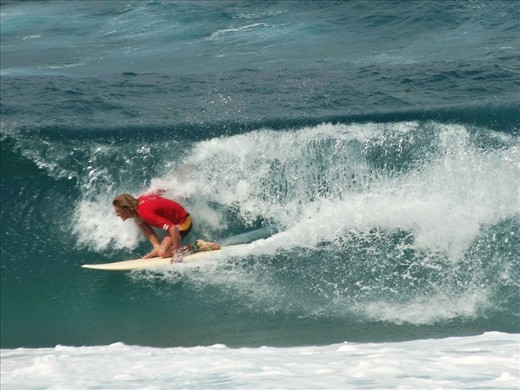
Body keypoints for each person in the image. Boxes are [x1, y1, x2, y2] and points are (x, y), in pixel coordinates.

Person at [112, 193, 220, 262]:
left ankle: (197, 245)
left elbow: (172, 228)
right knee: (137, 219)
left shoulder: (145, 212)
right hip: (177, 220)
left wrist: (177, 253)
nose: (117, 215)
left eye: (118, 211)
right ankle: (156, 246)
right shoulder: (139, 201)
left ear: (126, 209)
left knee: (163, 253)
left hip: (183, 222)